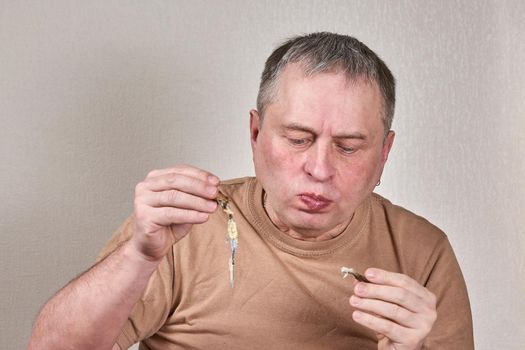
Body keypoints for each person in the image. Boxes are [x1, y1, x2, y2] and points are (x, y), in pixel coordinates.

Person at [28, 32, 473, 350]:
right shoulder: (185, 226)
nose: (319, 169)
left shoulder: (422, 253)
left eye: (349, 146)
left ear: (384, 154)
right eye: (298, 139)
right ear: (256, 133)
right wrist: (140, 257)